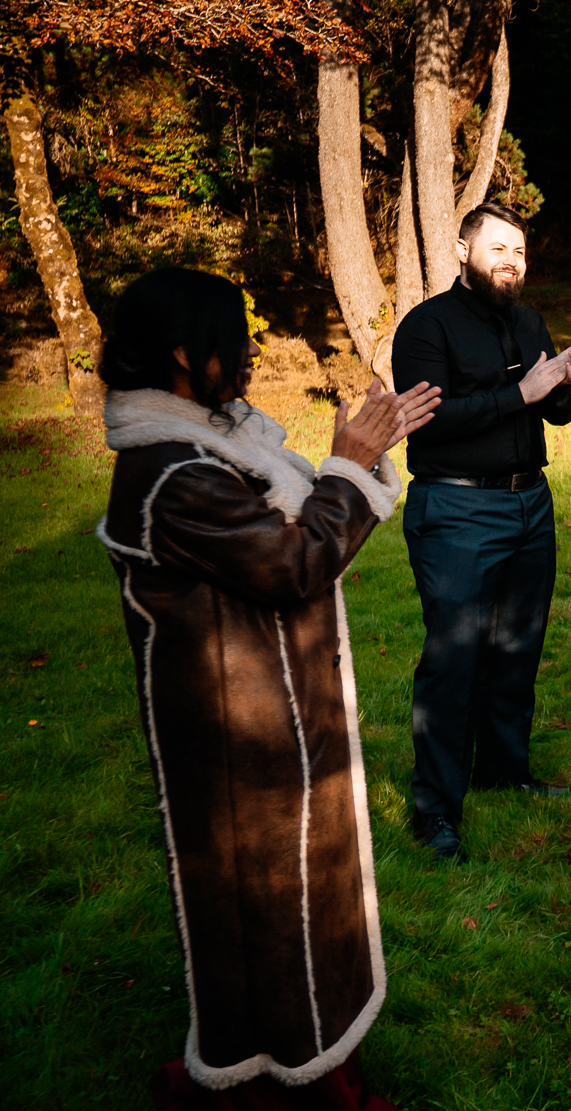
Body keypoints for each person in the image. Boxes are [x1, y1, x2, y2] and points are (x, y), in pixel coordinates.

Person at [95, 268, 439, 1108]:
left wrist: (354, 464)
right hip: (234, 742)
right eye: (232, 336)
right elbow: (294, 563)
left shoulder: (221, 443)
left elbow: (299, 532)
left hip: (279, 720)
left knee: (301, 903)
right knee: (267, 909)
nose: (251, 349)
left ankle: (300, 1058)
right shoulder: (175, 475)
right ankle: (282, 1079)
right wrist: (349, 465)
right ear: (182, 353)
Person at [392, 202, 571, 862]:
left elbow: (553, 409)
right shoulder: (427, 328)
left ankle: (505, 770)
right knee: (454, 661)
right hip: (457, 511)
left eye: (520, 252)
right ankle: (435, 812)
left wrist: (563, 380)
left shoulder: (527, 320)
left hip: (529, 505)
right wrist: (523, 394)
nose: (512, 262)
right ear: (462, 249)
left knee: (516, 649)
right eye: (499, 248)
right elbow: (431, 420)